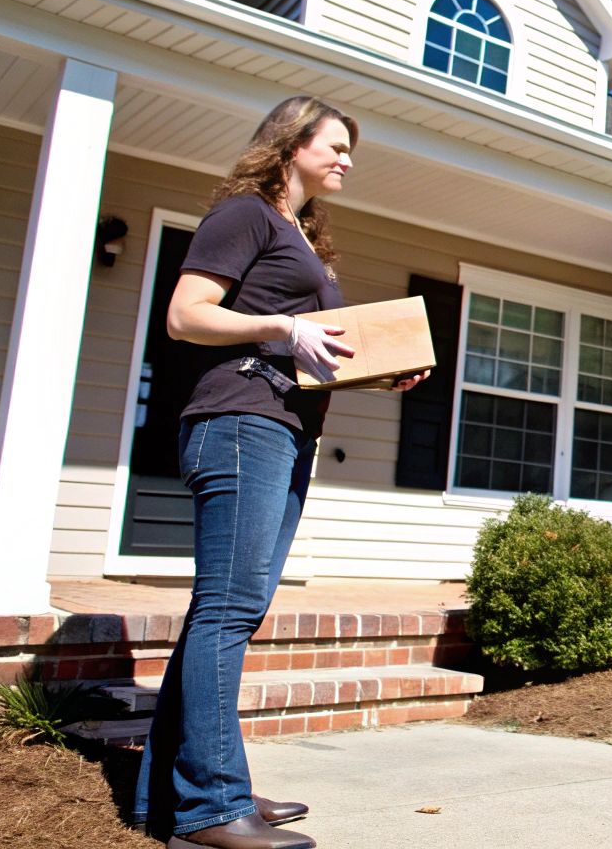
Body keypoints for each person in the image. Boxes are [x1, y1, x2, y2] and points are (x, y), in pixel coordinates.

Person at [132, 96, 427, 849]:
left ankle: (170, 793)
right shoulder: (247, 213)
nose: (347, 160)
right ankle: (210, 810)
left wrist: (376, 369)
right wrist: (283, 325)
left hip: (286, 427)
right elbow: (186, 314)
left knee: (227, 612)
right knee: (227, 612)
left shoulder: (298, 231)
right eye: (335, 145)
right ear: (291, 144)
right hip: (240, 421)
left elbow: (313, 349)